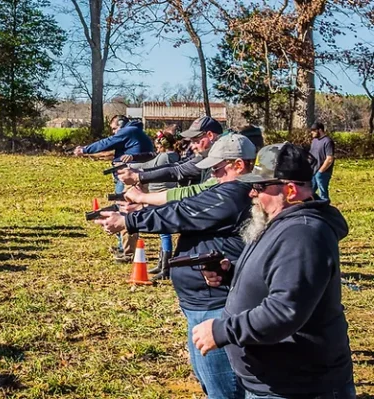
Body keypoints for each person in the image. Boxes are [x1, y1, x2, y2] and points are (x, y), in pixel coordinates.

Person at [96, 134, 257, 399]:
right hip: (201, 302)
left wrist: (130, 221)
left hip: (215, 304)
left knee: (224, 390)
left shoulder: (234, 192)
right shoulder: (226, 189)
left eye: (218, 168)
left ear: (239, 165)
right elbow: (185, 203)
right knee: (211, 383)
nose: (213, 174)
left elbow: (182, 212)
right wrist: (139, 208)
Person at [192, 143, 355, 399]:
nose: (251, 194)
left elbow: (285, 311)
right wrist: (232, 275)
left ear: (290, 190)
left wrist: (223, 331)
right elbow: (281, 282)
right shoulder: (280, 221)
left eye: (259, 186)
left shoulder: (303, 234)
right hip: (275, 381)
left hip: (298, 388)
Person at [74, 115, 154, 262]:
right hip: (129, 176)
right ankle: (123, 246)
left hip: (131, 177)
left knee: (127, 211)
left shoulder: (128, 131)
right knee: (121, 209)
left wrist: (85, 149)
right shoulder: (135, 132)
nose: (114, 133)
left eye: (115, 129)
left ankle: (129, 253)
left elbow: (107, 143)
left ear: (122, 124)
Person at [126, 127, 183, 279]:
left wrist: (130, 167)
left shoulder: (164, 157)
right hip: (161, 194)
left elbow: (148, 166)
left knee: (164, 233)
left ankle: (165, 269)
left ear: (163, 144)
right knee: (162, 232)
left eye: (157, 144)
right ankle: (161, 264)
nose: (156, 147)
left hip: (161, 195)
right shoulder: (172, 155)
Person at [117, 116, 224, 187]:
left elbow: (176, 171)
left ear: (210, 135)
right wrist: (139, 172)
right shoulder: (204, 155)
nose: (192, 146)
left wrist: (139, 176)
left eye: (196, 141)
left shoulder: (219, 157)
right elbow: (176, 166)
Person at [309, 121, 335, 201]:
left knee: (323, 193)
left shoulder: (328, 141)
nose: (312, 132)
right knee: (309, 193)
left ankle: (326, 209)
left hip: (323, 173)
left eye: (313, 130)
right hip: (313, 171)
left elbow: (330, 158)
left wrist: (320, 172)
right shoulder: (314, 141)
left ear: (319, 130)